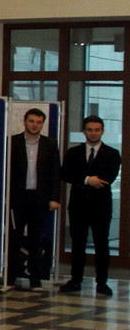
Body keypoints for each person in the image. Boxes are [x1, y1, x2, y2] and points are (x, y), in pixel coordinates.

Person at [60, 115, 120, 296]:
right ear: (84, 131)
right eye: (90, 130)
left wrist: (86, 179)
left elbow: (108, 177)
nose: (93, 133)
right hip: (78, 205)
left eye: (97, 130)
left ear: (102, 131)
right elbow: (66, 174)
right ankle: (75, 281)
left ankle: (102, 282)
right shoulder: (74, 152)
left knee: (102, 244)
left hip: (101, 206)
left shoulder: (112, 153)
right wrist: (87, 179)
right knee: (78, 244)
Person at [6, 108, 59, 291]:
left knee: (36, 240)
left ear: (42, 124)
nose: (35, 125)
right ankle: (10, 278)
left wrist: (54, 198)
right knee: (14, 238)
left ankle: (35, 279)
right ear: (24, 122)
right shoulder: (13, 142)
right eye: (31, 121)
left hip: (40, 198)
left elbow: (55, 173)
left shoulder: (50, 144)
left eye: (38, 122)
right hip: (17, 198)